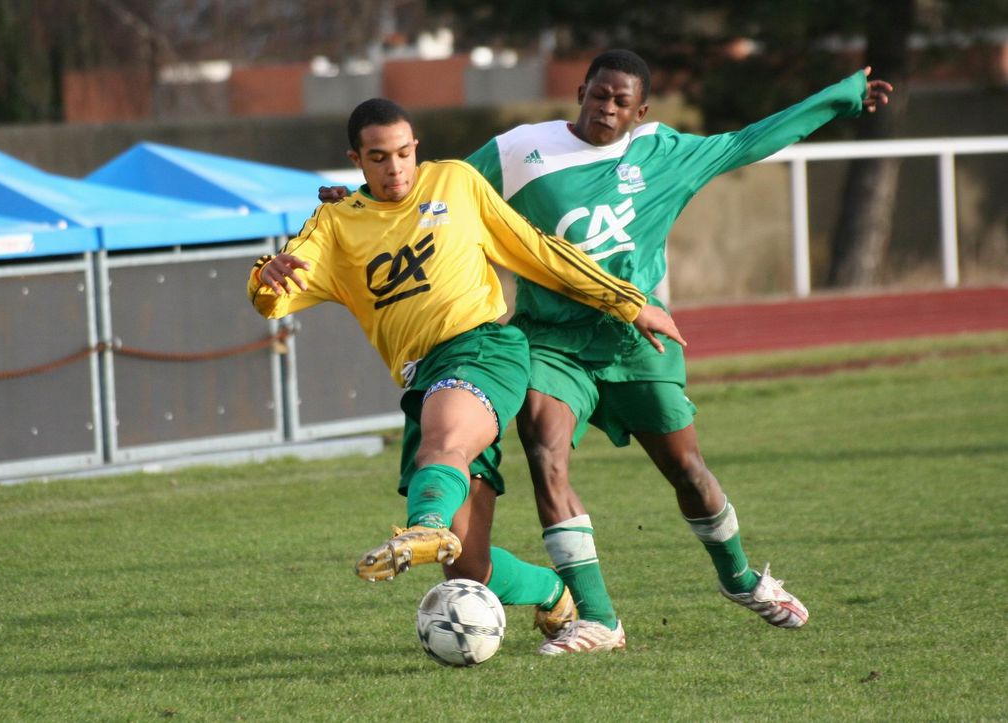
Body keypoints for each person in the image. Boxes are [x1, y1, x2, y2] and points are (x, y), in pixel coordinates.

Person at [322, 53, 893, 654]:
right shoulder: (520, 150)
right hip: (550, 341)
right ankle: (598, 619)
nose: (606, 109)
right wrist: (362, 199)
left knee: (688, 473)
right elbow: (432, 197)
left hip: (635, 340)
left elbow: (749, 141)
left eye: (621, 102)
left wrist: (843, 96)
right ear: (579, 92)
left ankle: (743, 579)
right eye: (598, 96)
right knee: (546, 452)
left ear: (640, 111)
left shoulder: (664, 154)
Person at [250, 97, 685, 646]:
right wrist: (265, 277)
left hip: (483, 350)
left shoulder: (456, 182)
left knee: (443, 445)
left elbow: (539, 251)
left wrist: (628, 301)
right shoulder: (335, 224)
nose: (396, 168)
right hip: (422, 379)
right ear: (356, 160)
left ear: (416, 148)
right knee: (468, 569)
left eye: (404, 153)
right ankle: (556, 594)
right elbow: (275, 296)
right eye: (379, 158)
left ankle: (433, 530)